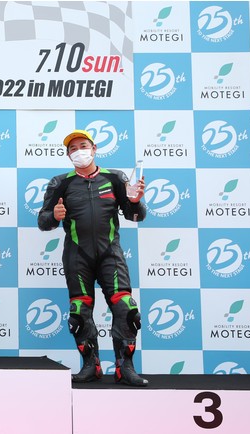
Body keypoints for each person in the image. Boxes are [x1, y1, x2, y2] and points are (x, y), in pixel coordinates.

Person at [37, 129, 148, 387]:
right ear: (68, 155)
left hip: (111, 254)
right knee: (79, 312)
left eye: (83, 146)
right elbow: (43, 222)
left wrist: (135, 202)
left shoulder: (115, 178)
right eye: (73, 149)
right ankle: (91, 366)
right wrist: (54, 216)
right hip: (77, 256)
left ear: (94, 148)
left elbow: (136, 216)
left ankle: (125, 368)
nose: (79, 151)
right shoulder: (60, 183)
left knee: (126, 308)